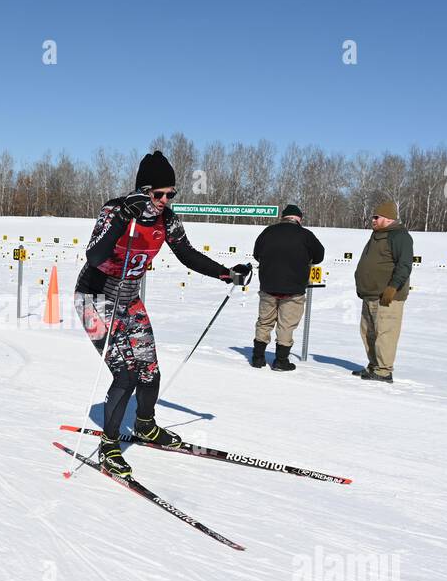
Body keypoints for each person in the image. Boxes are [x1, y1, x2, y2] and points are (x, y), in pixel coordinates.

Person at [74, 150, 251, 478]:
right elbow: (95, 255)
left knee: (149, 369)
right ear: (143, 191)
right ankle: (109, 445)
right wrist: (125, 219)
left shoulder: (166, 219)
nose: (166, 199)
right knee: (125, 375)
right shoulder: (115, 210)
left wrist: (227, 273)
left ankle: (145, 426)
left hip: (128, 301)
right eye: (159, 194)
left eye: (171, 194)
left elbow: (187, 254)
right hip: (93, 300)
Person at [250, 203, 324, 370]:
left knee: (264, 321)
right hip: (294, 289)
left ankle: (257, 357)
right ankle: (281, 361)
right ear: (299, 218)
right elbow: (319, 256)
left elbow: (256, 254)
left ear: (283, 217)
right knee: (286, 325)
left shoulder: (268, 232)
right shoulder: (305, 235)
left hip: (268, 286)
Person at [353, 193, 414, 383]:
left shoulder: (400, 236)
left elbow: (404, 264)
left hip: (388, 296)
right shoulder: (378, 236)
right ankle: (374, 366)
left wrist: (392, 288)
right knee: (368, 333)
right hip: (370, 295)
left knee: (385, 333)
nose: (373, 219)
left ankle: (384, 370)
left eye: (376, 217)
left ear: (387, 218)